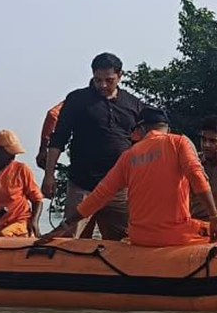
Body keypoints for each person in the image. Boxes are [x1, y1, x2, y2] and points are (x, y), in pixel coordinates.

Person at [38, 107, 217, 247]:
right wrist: (215, 217)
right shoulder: (179, 143)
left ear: (141, 130)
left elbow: (98, 196)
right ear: (167, 129)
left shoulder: (128, 156)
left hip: (139, 238)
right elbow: (197, 178)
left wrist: (63, 225)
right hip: (175, 235)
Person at [42, 53, 143, 241]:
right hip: (83, 184)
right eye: (98, 80)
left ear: (120, 76)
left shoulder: (134, 104)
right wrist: (49, 175)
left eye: (109, 80)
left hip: (119, 187)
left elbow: (143, 143)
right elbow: (59, 138)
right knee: (72, 240)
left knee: (125, 241)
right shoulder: (77, 100)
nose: (103, 85)